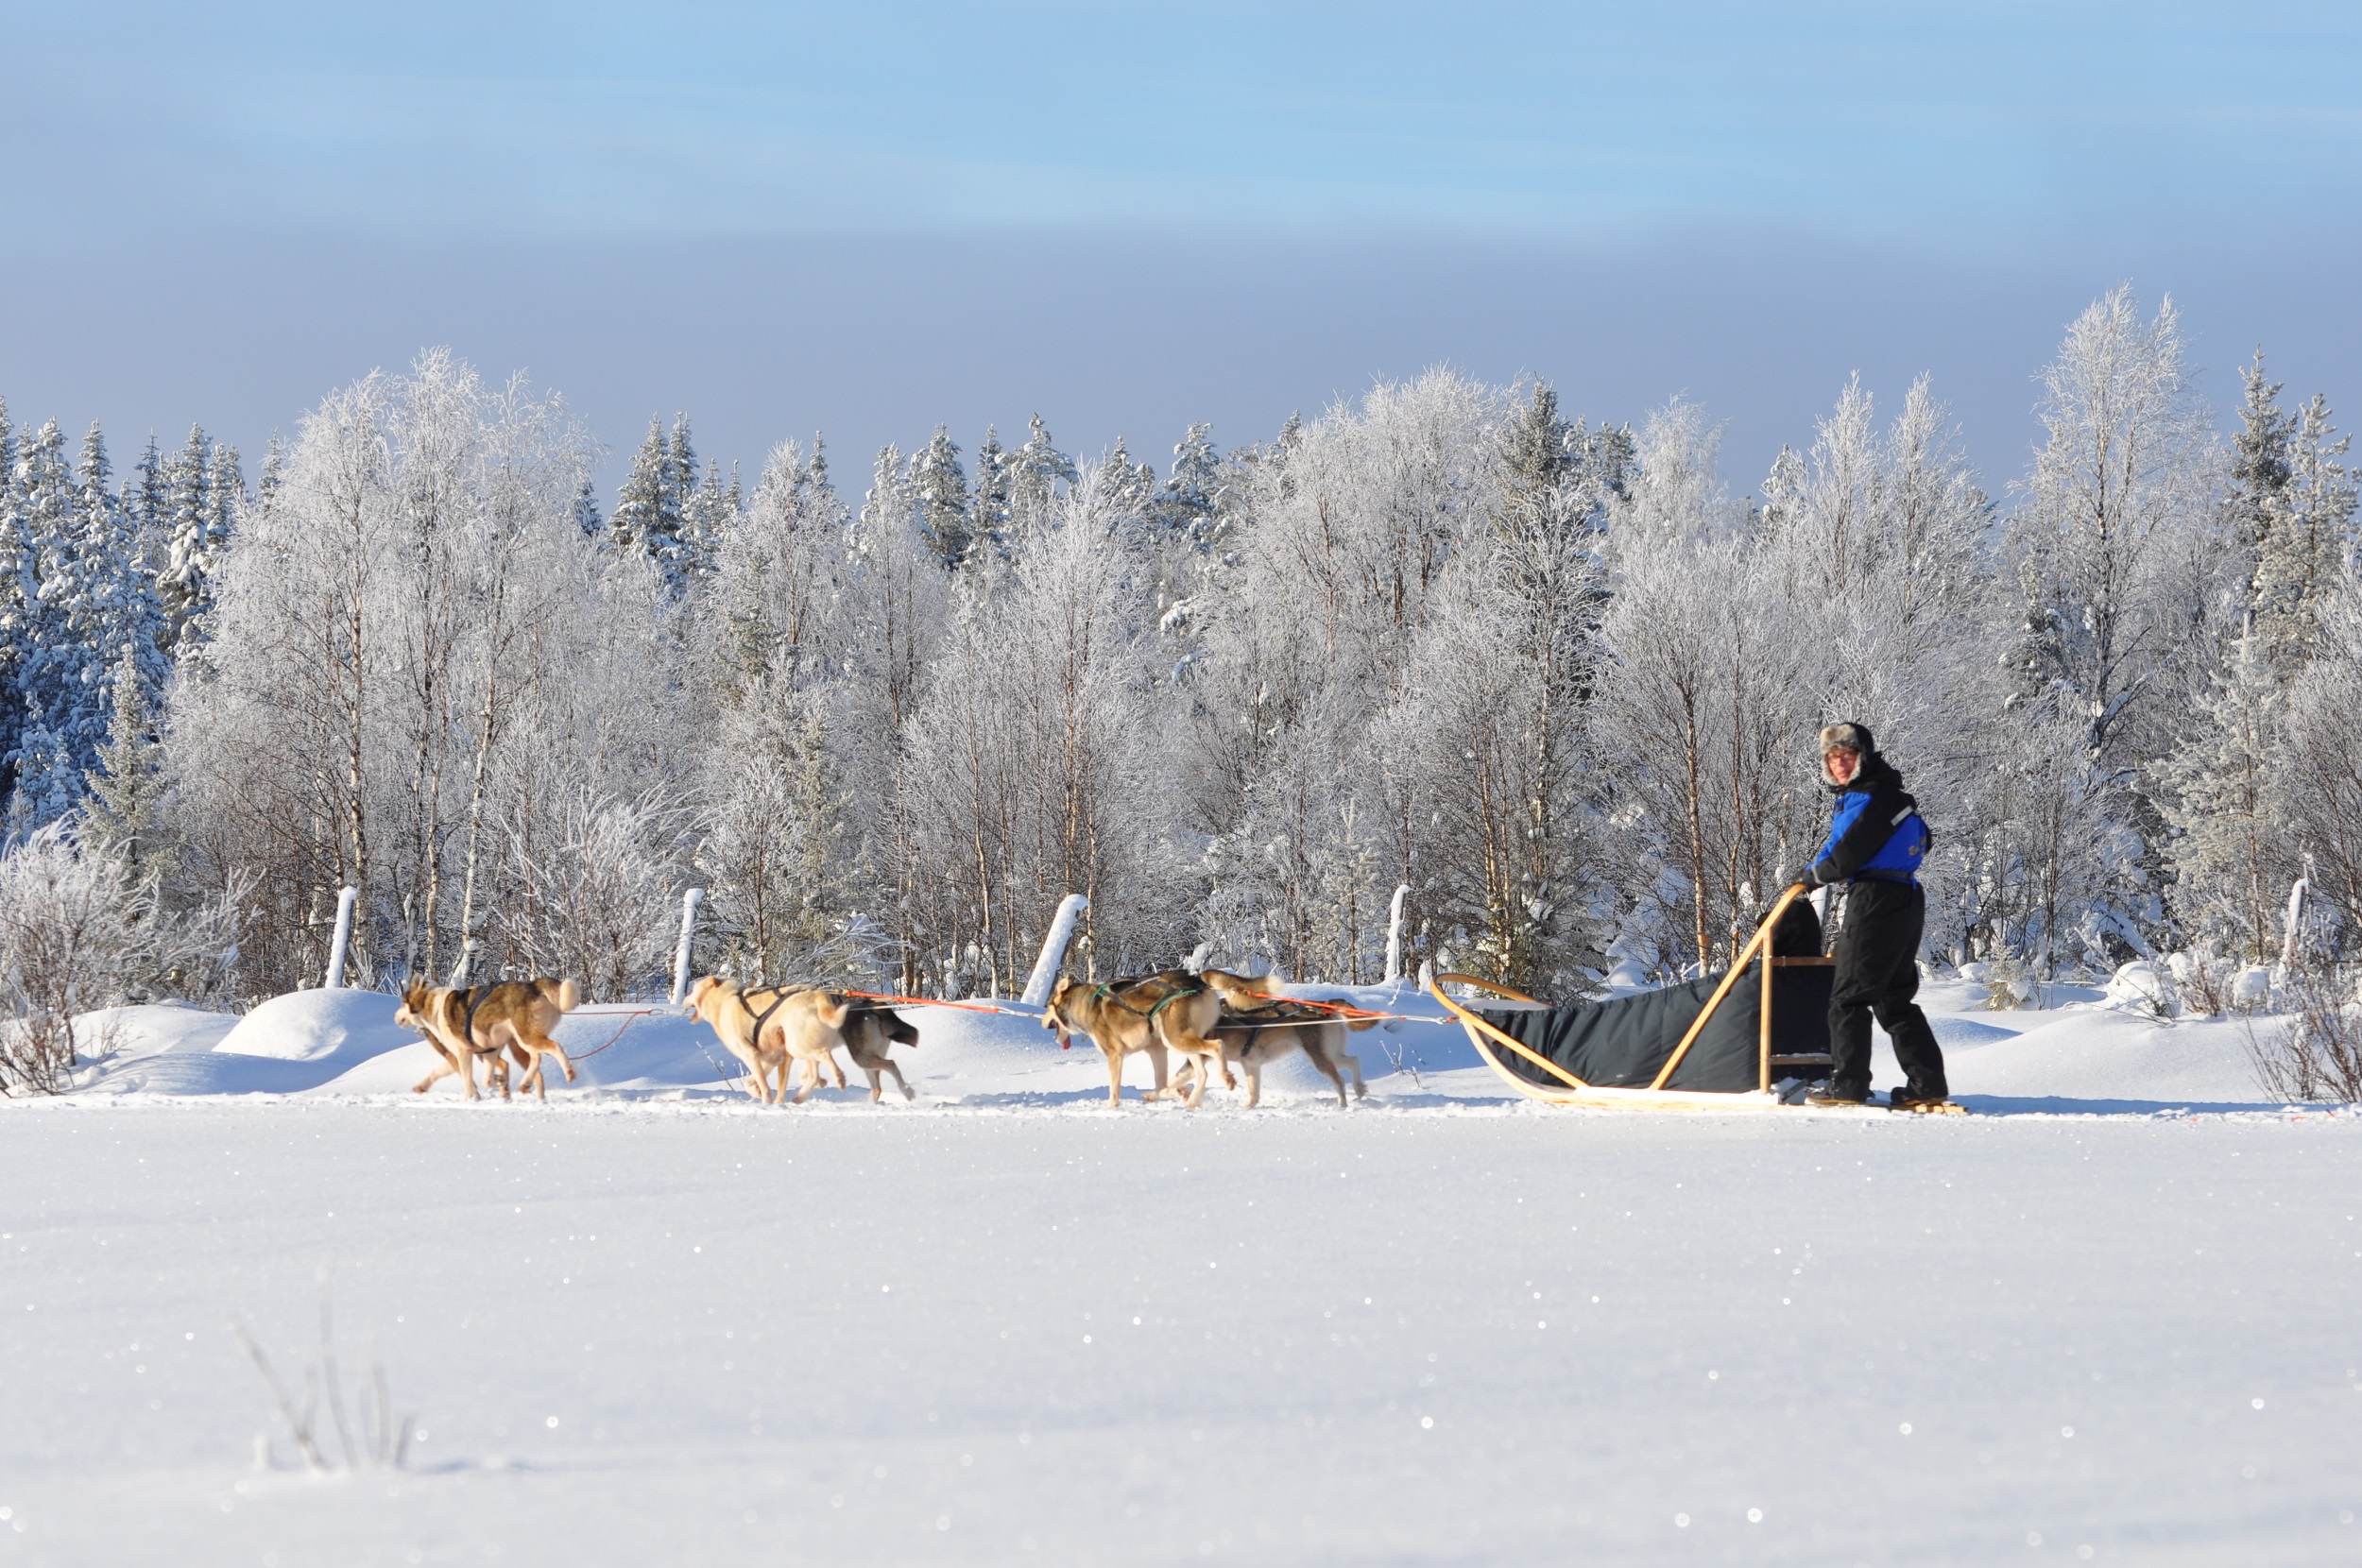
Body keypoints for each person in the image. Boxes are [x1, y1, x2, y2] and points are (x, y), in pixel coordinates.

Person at [1797, 722, 1949, 1110]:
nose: (1839, 765)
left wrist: (1810, 879)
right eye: (1832, 758)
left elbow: (1846, 856)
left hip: (1875, 898)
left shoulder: (1870, 797)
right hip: (1906, 897)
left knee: (1847, 998)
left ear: (1863, 757)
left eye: (1847, 756)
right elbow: (1924, 840)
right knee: (1894, 1001)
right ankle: (1927, 1084)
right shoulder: (1892, 797)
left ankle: (1847, 1085)